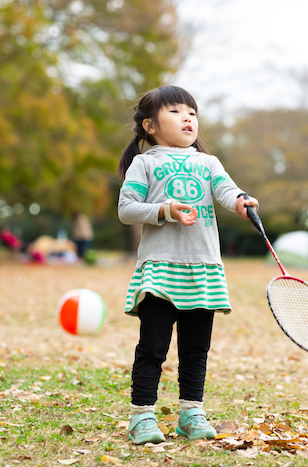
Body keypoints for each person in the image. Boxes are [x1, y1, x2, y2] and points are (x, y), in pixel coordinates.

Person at [117, 85, 259, 445]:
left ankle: (191, 413)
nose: (187, 119)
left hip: (203, 268)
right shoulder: (145, 162)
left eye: (192, 113)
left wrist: (241, 201)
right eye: (177, 112)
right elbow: (126, 208)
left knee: (196, 349)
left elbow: (226, 190)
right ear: (150, 125)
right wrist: (164, 210)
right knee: (153, 346)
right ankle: (142, 416)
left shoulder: (208, 163)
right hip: (160, 268)